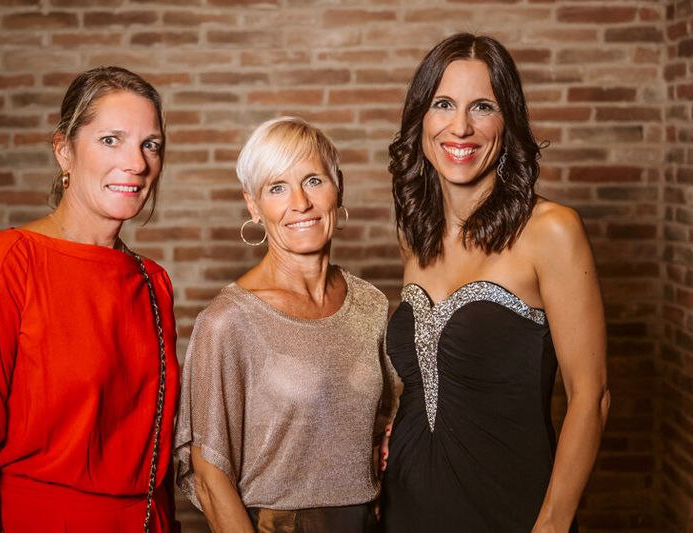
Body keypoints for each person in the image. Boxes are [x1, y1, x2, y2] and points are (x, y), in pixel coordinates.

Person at [0, 66, 180, 533]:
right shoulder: (7, 262)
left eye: (151, 144)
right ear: (64, 150)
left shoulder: (152, 281)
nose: (137, 163)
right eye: (111, 140)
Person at [381, 33, 610, 532]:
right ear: (421, 119)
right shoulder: (417, 235)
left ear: (507, 122)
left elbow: (590, 397)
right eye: (443, 104)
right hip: (406, 508)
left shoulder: (551, 231)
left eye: (482, 106)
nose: (460, 126)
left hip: (511, 509)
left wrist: (550, 526)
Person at [174, 116, 395, 533]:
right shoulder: (228, 321)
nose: (300, 203)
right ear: (253, 206)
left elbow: (386, 422)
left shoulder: (371, 304)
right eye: (277, 188)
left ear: (338, 187)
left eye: (313, 181)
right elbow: (209, 477)